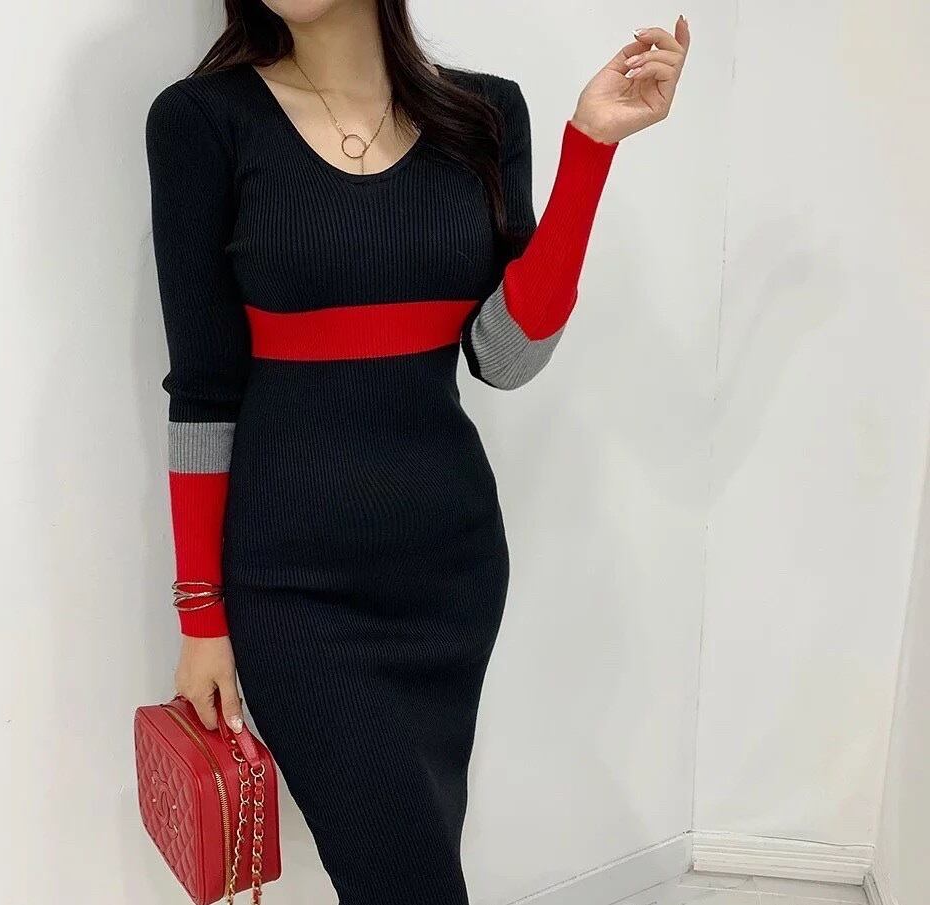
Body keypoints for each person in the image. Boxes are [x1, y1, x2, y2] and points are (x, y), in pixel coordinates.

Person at [145, 2, 689, 902]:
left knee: (418, 854)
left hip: (451, 572)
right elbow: (203, 389)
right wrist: (200, 613)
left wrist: (591, 148)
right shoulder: (203, 121)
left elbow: (506, 358)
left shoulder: (484, 116)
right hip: (294, 587)